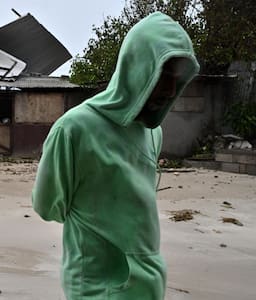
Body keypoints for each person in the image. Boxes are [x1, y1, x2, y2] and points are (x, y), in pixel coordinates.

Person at [32, 12, 199, 299]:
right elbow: (48, 206)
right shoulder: (74, 129)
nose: (170, 89)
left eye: (176, 78)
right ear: (136, 67)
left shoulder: (152, 131)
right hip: (97, 289)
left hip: (148, 287)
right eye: (162, 74)